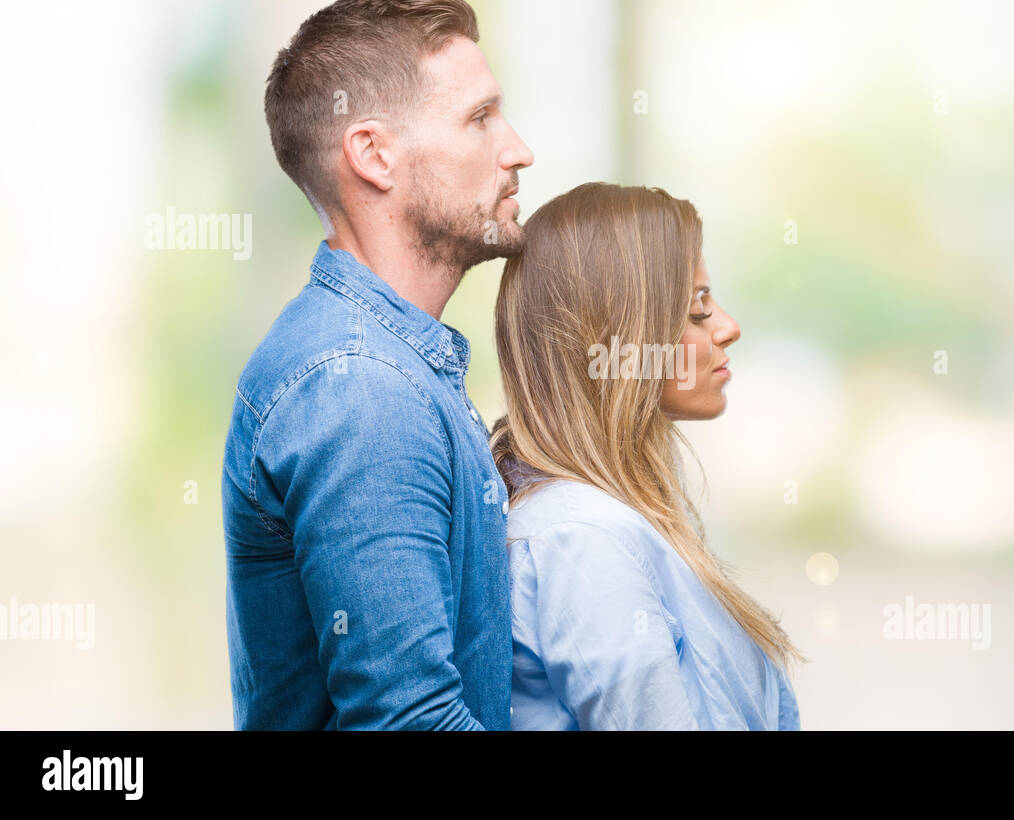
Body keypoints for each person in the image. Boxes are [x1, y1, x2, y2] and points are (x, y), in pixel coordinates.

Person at [221, 0, 533, 730]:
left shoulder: (387, 364)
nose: (517, 148)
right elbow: (410, 721)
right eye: (480, 118)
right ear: (373, 155)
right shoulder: (360, 387)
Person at [490, 182, 805, 730]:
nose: (729, 327)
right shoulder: (581, 540)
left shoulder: (606, 522)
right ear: (620, 338)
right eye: (698, 307)